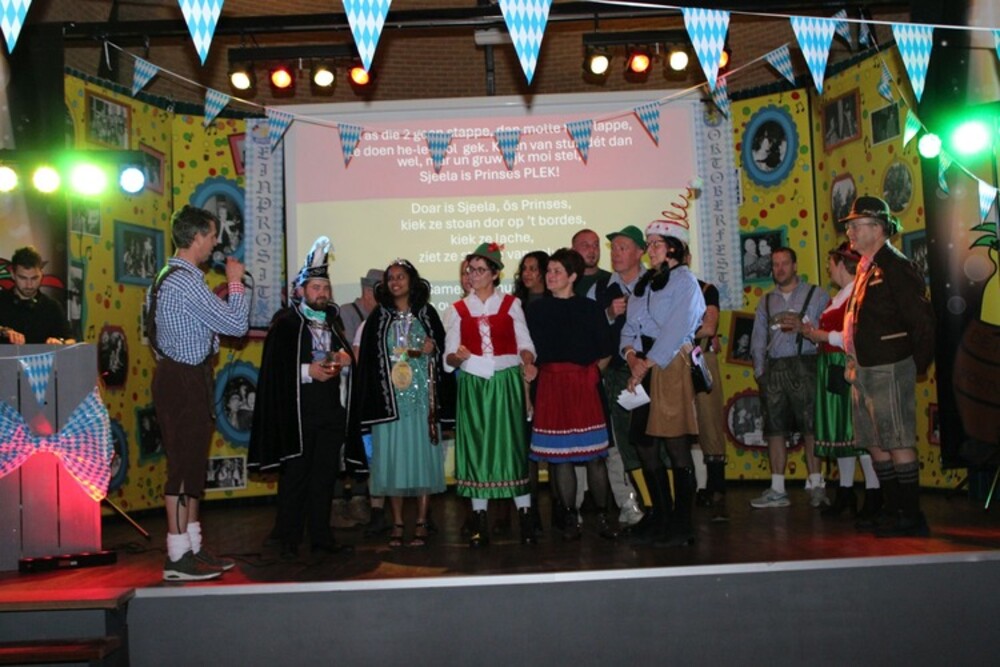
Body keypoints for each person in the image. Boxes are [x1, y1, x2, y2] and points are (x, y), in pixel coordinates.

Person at [146, 205, 249, 581]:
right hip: (183, 379)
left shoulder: (167, 276)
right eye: (211, 235)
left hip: (181, 376)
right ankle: (177, 557)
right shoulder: (185, 282)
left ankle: (191, 546)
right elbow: (236, 324)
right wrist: (235, 283)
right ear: (196, 238)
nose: (215, 243)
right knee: (182, 468)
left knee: (190, 465)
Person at [247, 236, 355, 559]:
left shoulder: (333, 322)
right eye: (316, 287)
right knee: (296, 476)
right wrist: (310, 371)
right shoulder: (286, 323)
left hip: (330, 413)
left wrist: (344, 360)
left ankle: (322, 538)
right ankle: (288, 538)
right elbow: (275, 372)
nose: (322, 293)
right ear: (302, 290)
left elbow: (345, 357)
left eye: (326, 288)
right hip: (299, 414)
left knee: (324, 478)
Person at [841, 196, 935, 537]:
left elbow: (922, 320)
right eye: (850, 226)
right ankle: (894, 510)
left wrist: (913, 364)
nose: (850, 231)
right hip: (866, 368)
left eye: (856, 225)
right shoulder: (867, 267)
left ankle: (911, 516)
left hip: (890, 367)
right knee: (875, 442)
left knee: (896, 440)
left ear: (878, 228)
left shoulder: (896, 266)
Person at [443, 242, 537, 547]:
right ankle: (479, 522)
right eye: (470, 270)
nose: (473, 275)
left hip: (506, 382)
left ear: (495, 274)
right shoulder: (456, 310)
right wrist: (457, 356)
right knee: (477, 448)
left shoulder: (511, 304)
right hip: (473, 384)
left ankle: (525, 519)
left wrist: (527, 361)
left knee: (512, 448)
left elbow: (525, 344)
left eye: (480, 270)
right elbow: (448, 359)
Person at [355, 260, 451, 547]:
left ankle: (421, 521)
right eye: (391, 278)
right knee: (392, 462)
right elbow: (369, 361)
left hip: (422, 401)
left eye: (401, 277)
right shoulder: (378, 317)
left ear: (412, 281)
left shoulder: (427, 313)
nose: (395, 282)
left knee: (423, 460)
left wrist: (433, 349)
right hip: (390, 404)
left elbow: (442, 351)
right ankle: (397, 523)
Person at [621, 220, 705, 546]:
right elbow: (629, 328)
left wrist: (646, 363)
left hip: (669, 365)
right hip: (643, 365)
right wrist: (631, 356)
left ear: (673, 247)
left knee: (675, 445)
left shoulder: (685, 282)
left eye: (656, 243)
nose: (650, 249)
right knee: (643, 442)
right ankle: (660, 514)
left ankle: (682, 524)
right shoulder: (644, 283)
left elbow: (678, 328)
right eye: (649, 243)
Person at [526, 248, 616, 540]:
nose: (549, 276)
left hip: (583, 386)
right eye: (548, 271)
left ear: (573, 276)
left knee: (595, 457)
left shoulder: (590, 309)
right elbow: (528, 352)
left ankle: (602, 516)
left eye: (557, 272)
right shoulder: (536, 310)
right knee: (559, 457)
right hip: (550, 386)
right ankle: (569, 517)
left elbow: (606, 351)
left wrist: (591, 377)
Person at [801, 242, 882, 519]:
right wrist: (814, 334)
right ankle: (845, 491)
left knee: (856, 431)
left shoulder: (856, 296)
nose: (828, 268)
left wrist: (823, 336)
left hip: (847, 364)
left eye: (830, 263)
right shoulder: (838, 297)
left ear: (841, 265)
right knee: (840, 432)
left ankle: (874, 492)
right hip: (831, 365)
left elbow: (855, 337)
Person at [749, 247, 831, 509]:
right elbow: (758, 339)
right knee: (774, 429)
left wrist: (805, 329)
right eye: (775, 264)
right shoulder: (766, 300)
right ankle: (777, 489)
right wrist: (760, 372)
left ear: (795, 266)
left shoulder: (817, 294)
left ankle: (816, 484)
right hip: (774, 369)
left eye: (785, 263)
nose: (780, 269)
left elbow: (830, 332)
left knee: (810, 427)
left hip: (806, 364)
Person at [597, 226, 647, 527]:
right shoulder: (603, 288)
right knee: (617, 442)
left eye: (623, 247)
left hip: (651, 371)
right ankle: (630, 505)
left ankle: (658, 502)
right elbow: (591, 331)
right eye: (613, 247)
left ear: (640, 252)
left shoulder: (655, 284)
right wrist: (608, 314)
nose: (616, 253)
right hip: (617, 373)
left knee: (652, 440)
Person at [333, 267, 383, 532]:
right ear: (367, 291)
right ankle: (337, 503)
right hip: (345, 394)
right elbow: (344, 356)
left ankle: (360, 499)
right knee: (343, 450)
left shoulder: (381, 317)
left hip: (368, 396)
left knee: (366, 449)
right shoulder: (346, 313)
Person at [690, 266, 730, 522]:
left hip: (701, 358)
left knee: (710, 422)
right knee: (686, 425)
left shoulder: (706, 289)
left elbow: (709, 327)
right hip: (672, 363)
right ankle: (699, 486)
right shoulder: (662, 290)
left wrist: (674, 334)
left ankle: (716, 488)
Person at [0, 246, 74, 345]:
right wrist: (4, 331)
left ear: (41, 275)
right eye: (23, 278)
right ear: (13, 274)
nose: (29, 285)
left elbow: (71, 340)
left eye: (34, 278)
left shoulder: (52, 306)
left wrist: (60, 342)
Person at [571, 229, 612, 299]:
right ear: (573, 250)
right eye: (585, 245)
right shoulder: (565, 281)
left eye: (596, 245)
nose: (592, 250)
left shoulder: (611, 280)